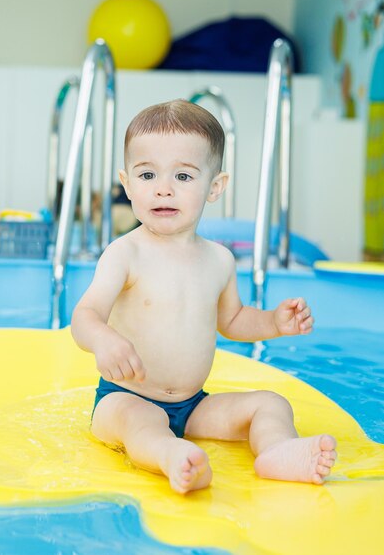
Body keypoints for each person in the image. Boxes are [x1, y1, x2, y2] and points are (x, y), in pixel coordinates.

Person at [71, 99, 337, 494]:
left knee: (271, 403)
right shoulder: (125, 254)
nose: (163, 188)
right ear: (127, 184)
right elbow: (84, 315)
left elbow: (232, 321)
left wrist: (273, 323)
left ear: (215, 187)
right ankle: (171, 457)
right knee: (141, 424)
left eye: (182, 176)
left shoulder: (219, 260)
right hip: (125, 398)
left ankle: (277, 451)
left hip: (193, 405)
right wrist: (104, 339)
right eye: (147, 174)